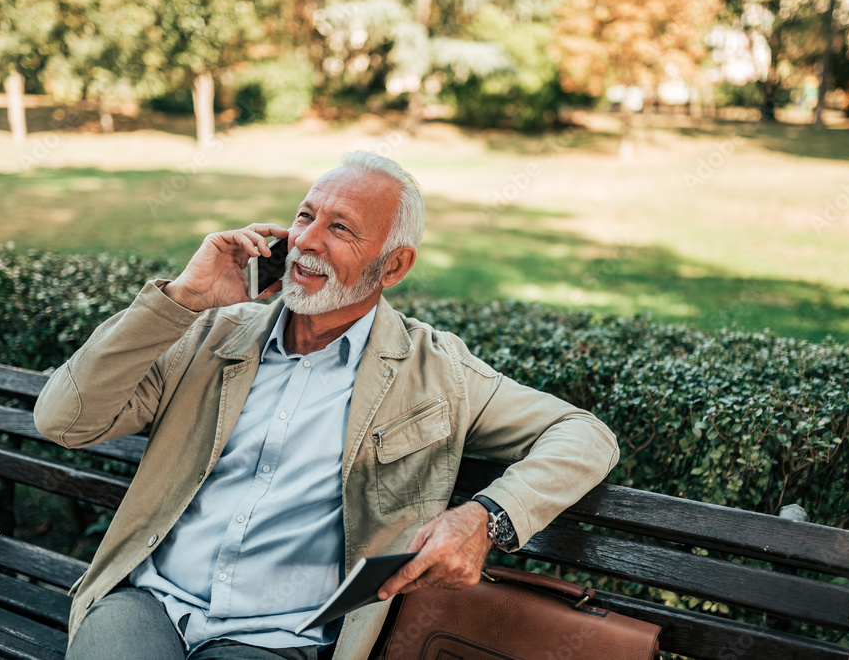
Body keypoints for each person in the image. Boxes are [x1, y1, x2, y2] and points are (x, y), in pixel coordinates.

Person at [34, 151, 618, 660]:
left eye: (341, 228)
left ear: (393, 265)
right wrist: (183, 299)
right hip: (147, 603)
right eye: (305, 215)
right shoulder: (209, 332)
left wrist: (484, 518)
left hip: (275, 638)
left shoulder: (437, 373)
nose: (307, 243)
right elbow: (63, 418)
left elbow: (584, 433)